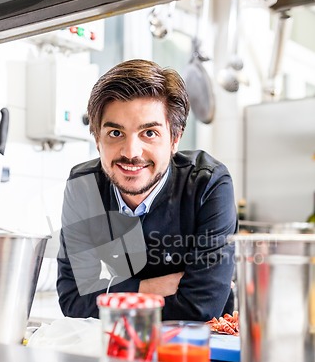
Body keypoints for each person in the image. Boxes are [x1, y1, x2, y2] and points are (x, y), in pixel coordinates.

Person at [57, 59, 237, 321]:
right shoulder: (83, 186)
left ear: (174, 139)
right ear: (97, 139)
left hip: (198, 345)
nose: (131, 153)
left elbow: (201, 306)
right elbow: (73, 300)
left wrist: (112, 294)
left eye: (149, 133)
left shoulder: (207, 184)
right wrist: (155, 288)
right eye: (116, 133)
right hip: (121, 342)